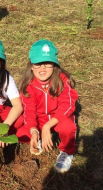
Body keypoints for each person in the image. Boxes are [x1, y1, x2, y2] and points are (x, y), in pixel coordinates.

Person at [16, 39, 78, 173]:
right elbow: (29, 111)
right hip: (40, 119)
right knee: (22, 133)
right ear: (31, 66)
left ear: (54, 65)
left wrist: (47, 126)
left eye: (47, 63)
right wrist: (34, 131)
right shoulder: (28, 85)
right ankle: (38, 140)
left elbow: (67, 105)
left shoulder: (62, 80)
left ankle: (67, 152)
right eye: (38, 64)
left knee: (68, 127)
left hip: (58, 118)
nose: (42, 68)